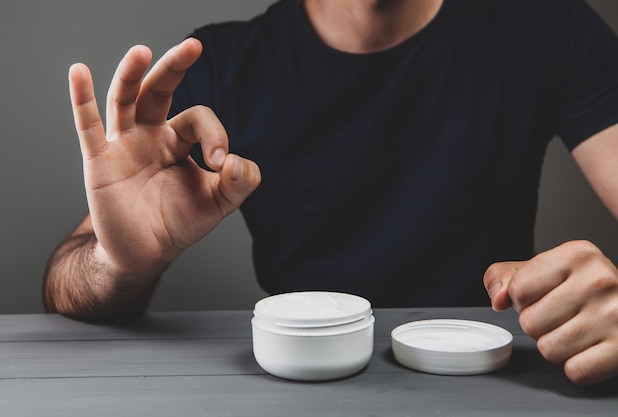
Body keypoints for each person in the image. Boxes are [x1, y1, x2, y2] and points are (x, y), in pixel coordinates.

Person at [44, 0, 618, 385]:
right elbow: (68, 283)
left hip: (498, 379)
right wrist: (118, 264)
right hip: (298, 385)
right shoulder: (222, 64)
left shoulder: (549, 25)